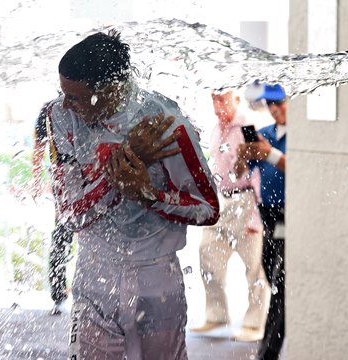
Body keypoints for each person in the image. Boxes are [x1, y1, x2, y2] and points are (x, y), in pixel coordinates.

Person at [48, 30, 220, 359]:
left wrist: (150, 195)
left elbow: (208, 208)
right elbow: (69, 213)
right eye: (63, 94)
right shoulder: (61, 118)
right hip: (91, 278)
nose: (66, 104)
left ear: (111, 89)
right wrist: (124, 164)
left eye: (76, 97)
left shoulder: (166, 124)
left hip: (155, 281)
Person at [192, 90, 269, 342]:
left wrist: (256, 217)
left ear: (236, 99)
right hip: (222, 199)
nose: (217, 104)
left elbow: (259, 170)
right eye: (214, 98)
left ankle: (254, 323)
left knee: (254, 266)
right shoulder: (216, 127)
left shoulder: (247, 125)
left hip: (247, 201)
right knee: (207, 254)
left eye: (222, 98)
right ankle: (216, 314)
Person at [234, 83, 287, 360]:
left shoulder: (303, 136)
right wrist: (242, 158)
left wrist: (270, 154)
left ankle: (268, 352)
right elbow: (242, 171)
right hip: (267, 213)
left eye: (280, 103)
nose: (275, 109)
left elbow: (298, 166)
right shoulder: (264, 134)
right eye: (270, 105)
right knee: (269, 272)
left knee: (282, 281)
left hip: (290, 214)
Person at [32, 100, 74, 315]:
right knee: (65, 234)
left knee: (62, 234)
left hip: (64, 178)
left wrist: (36, 179)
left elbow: (38, 147)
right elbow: (39, 146)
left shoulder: (49, 109)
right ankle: (59, 294)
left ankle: (59, 294)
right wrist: (36, 179)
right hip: (71, 178)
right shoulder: (52, 110)